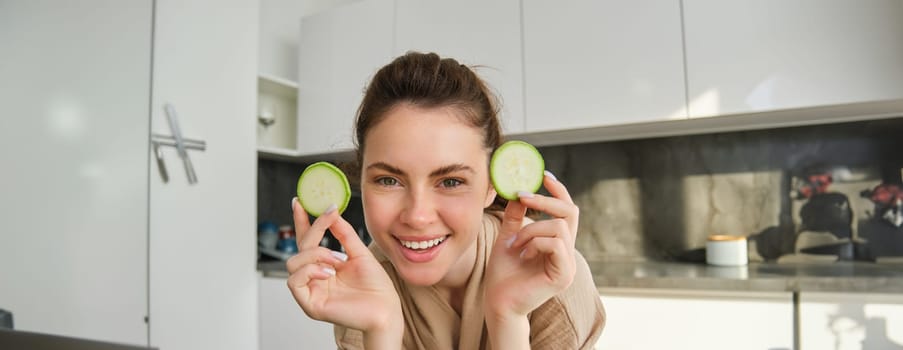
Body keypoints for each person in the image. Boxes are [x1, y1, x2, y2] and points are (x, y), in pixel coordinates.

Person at [286, 51, 605, 349]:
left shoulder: (552, 281)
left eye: (451, 181)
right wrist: (380, 331)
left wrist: (508, 318)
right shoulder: (358, 288)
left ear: (492, 186)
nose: (417, 216)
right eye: (388, 180)